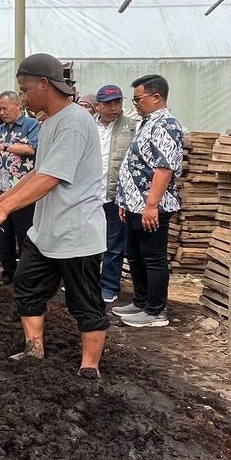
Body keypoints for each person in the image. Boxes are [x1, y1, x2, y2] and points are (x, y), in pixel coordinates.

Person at [0, 54, 109, 380]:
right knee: (27, 286)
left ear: (43, 84)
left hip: (77, 231)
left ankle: (89, 367)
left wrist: (5, 209)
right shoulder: (49, 122)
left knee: (85, 302)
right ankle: (34, 350)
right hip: (48, 229)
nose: (22, 97)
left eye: (24, 90)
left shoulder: (75, 121)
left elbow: (51, 177)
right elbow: (37, 171)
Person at [112, 74, 186, 328]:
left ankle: (156, 310)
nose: (135, 104)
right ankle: (141, 300)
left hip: (152, 205)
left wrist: (151, 205)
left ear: (156, 97)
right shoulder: (146, 123)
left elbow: (164, 168)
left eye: (138, 98)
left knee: (153, 258)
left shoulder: (166, 125)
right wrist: (125, 201)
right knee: (134, 255)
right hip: (135, 204)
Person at [0, 91, 39, 286]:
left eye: (4, 108)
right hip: (0, 189)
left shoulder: (31, 125)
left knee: (24, 233)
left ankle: (27, 273)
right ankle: (8, 271)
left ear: (17, 106)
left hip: (23, 190)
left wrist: (3, 146)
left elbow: (32, 149)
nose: (1, 112)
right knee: (4, 234)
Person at [92, 85, 137, 303]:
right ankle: (87, 282)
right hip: (89, 194)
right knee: (88, 240)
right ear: (97, 105)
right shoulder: (87, 126)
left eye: (117, 103)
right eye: (108, 103)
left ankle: (109, 285)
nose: (113, 108)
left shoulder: (131, 127)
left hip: (114, 195)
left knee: (114, 243)